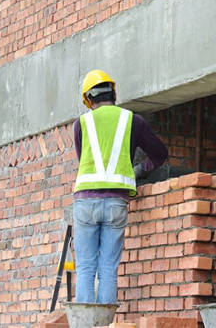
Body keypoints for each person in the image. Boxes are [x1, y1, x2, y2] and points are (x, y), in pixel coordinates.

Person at [72, 69, 168, 304]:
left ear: (89, 99)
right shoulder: (132, 120)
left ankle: (85, 324)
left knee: (85, 267)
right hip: (117, 202)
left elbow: (81, 158)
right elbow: (160, 154)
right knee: (107, 269)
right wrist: (138, 171)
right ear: (113, 94)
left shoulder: (81, 123)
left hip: (85, 202)